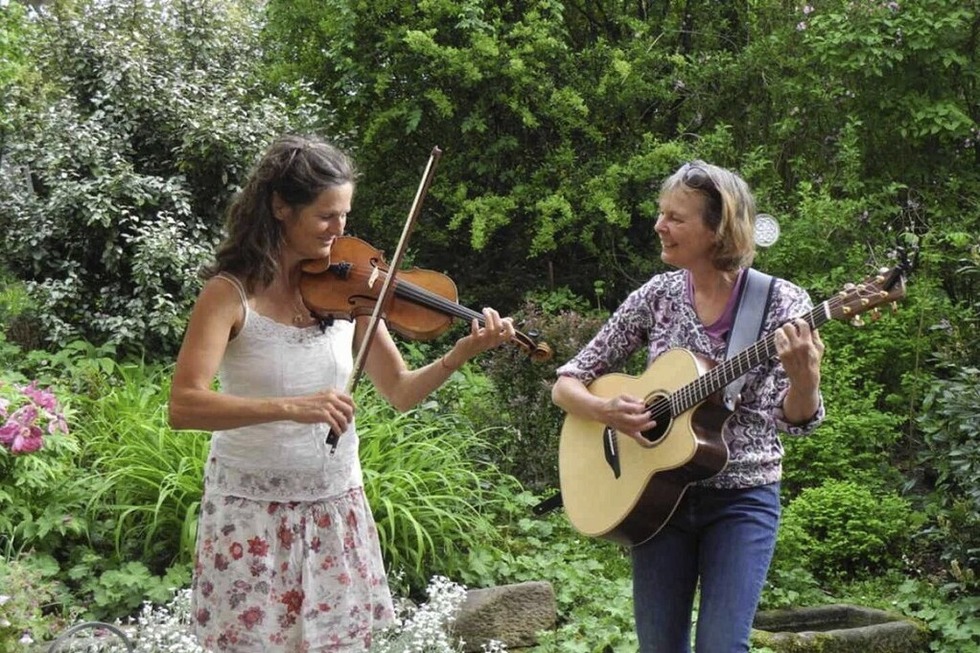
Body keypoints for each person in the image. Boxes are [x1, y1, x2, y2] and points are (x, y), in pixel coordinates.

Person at [168, 134, 516, 652]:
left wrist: (459, 354)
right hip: (250, 514)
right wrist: (291, 408)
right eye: (326, 216)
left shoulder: (353, 293)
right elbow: (184, 405)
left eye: (345, 215)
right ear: (281, 207)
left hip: (333, 506)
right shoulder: (230, 292)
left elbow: (399, 391)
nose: (341, 229)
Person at [551, 160, 825, 652]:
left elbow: (796, 422)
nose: (660, 226)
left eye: (675, 217)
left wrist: (805, 379)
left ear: (718, 229)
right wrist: (607, 411)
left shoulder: (782, 303)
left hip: (742, 500)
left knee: (722, 646)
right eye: (662, 214)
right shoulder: (658, 295)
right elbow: (567, 382)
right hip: (659, 499)